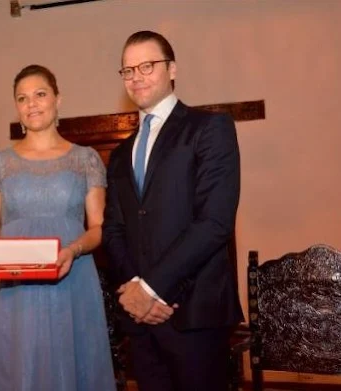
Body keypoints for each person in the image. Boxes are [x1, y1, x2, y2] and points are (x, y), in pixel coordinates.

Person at [102, 30, 243, 391]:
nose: (136, 76)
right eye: (128, 70)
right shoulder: (120, 154)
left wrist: (152, 289)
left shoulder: (209, 129)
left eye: (147, 65)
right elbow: (114, 229)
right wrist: (135, 290)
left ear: (172, 69)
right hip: (141, 320)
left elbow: (214, 223)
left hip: (193, 312)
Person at [0, 64, 116, 391]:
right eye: (22, 98)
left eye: (40, 94)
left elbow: (98, 227)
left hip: (73, 278)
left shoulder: (86, 159)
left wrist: (73, 249)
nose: (32, 104)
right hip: (15, 290)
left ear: (58, 99)